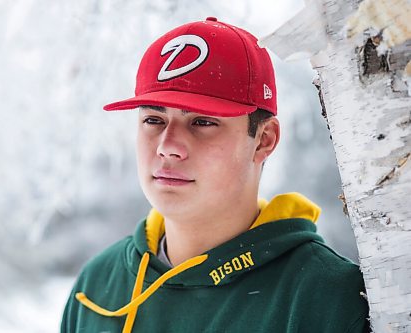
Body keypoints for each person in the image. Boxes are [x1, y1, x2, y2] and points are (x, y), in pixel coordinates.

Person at [61, 17, 370, 333]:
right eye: (154, 120)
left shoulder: (324, 298)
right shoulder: (97, 284)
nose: (168, 146)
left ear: (264, 140)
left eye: (203, 123)